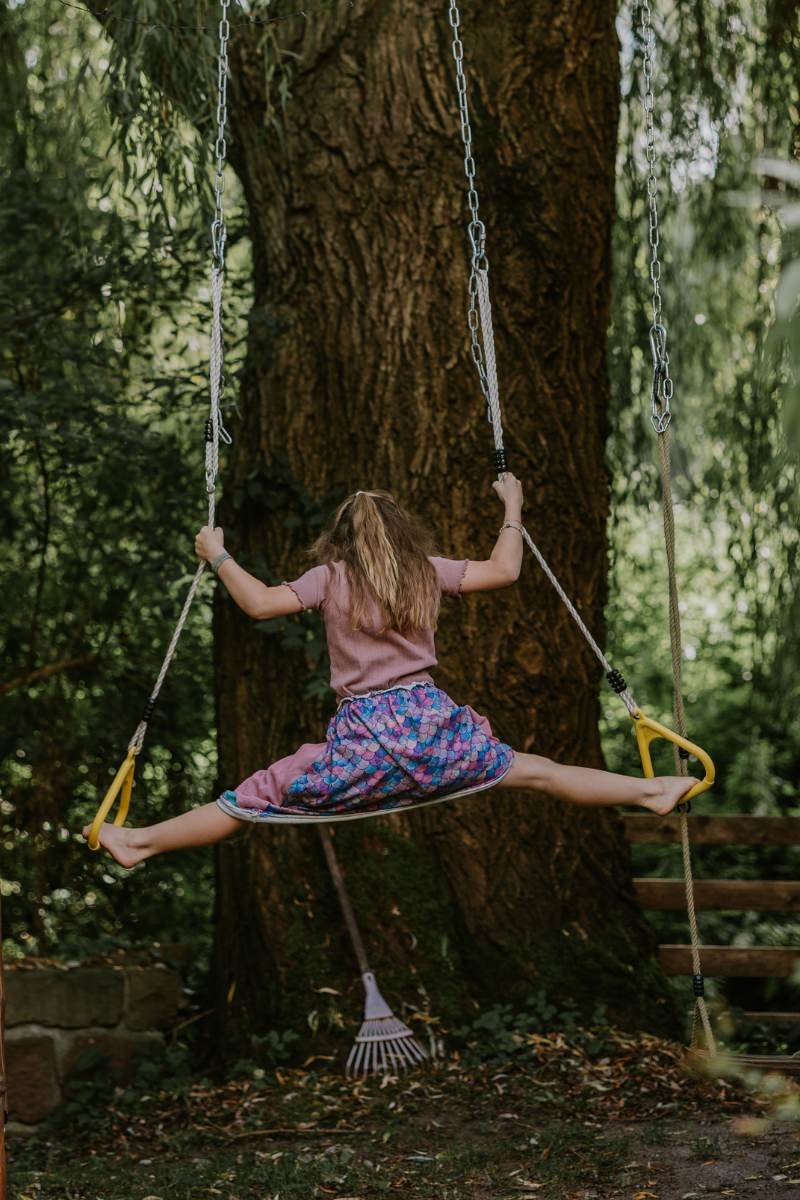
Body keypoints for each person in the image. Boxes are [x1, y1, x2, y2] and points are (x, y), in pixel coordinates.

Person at [84, 476, 694, 867]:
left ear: (339, 540)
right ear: (403, 534)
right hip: (435, 732)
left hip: (367, 745)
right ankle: (651, 791)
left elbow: (261, 603)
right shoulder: (424, 571)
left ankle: (140, 842)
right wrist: (513, 505)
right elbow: (505, 569)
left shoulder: (333, 577)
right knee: (537, 773)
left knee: (262, 794)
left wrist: (217, 554)